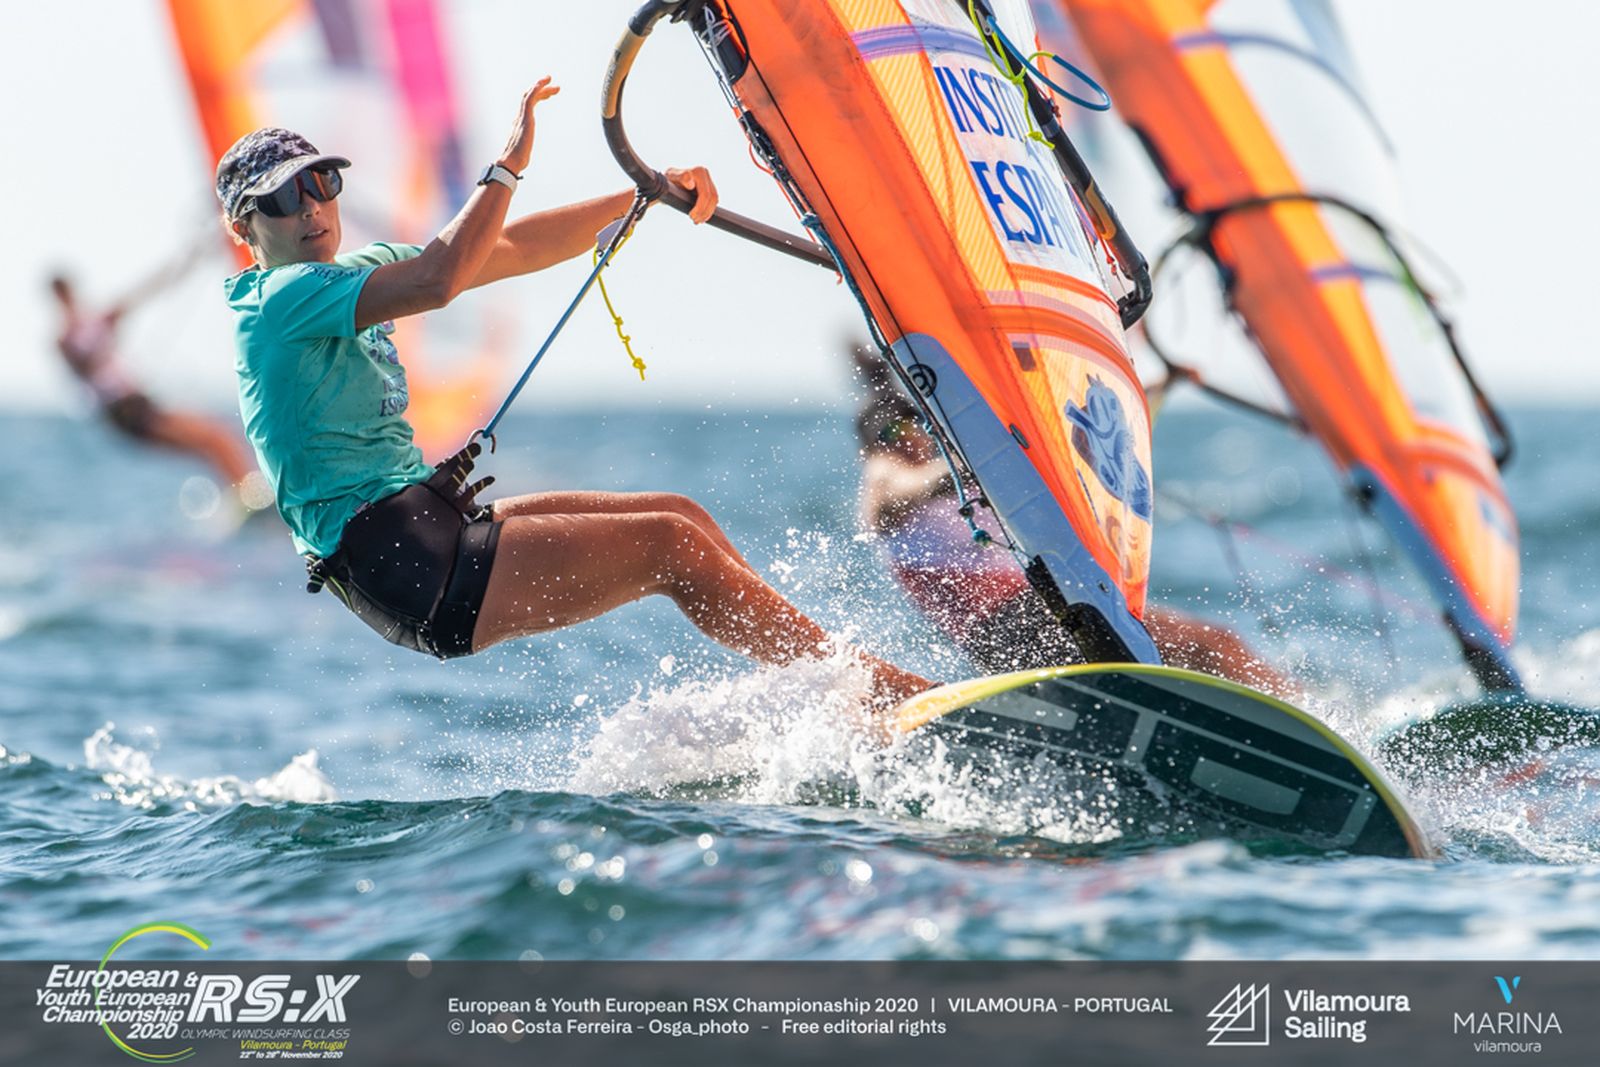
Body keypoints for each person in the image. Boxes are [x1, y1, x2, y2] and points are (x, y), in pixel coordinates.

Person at [214, 80, 929, 711]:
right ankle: (876, 690)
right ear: (243, 227)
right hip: (401, 565)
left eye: (321, 185)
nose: (311, 209)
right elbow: (440, 278)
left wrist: (646, 196)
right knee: (671, 546)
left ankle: (841, 689)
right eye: (283, 198)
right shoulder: (278, 299)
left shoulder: (354, 275)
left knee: (685, 516)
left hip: (424, 528)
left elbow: (507, 249)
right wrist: (507, 166)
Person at [852, 347, 1289, 695]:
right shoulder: (885, 478)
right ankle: (1302, 717)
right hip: (1018, 624)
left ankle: (1292, 710)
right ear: (874, 444)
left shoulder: (951, 479)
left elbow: (1094, 433)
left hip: (1038, 615)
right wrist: (978, 460)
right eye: (891, 434)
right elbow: (899, 488)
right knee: (1211, 646)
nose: (907, 439)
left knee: (1205, 649)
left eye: (915, 428)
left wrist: (1157, 388)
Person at [50, 263, 262, 499]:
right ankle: (249, 497)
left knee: (217, 436)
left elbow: (143, 291)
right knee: (210, 441)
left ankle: (249, 493)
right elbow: (82, 363)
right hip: (125, 412)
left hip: (139, 403)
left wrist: (190, 258)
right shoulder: (65, 339)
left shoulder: (96, 322)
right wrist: (102, 332)